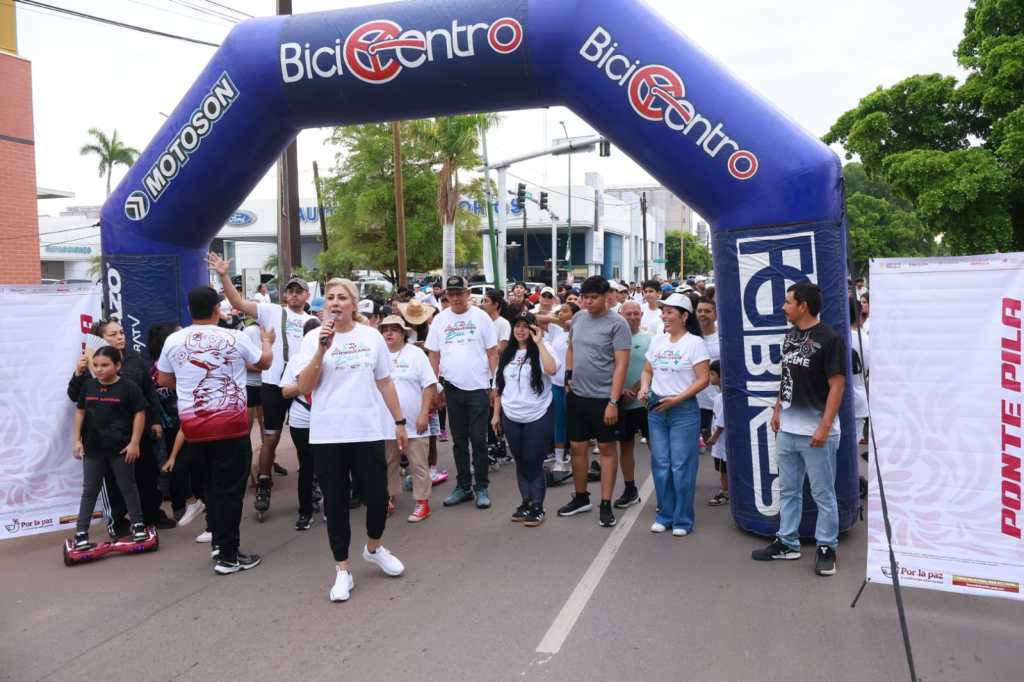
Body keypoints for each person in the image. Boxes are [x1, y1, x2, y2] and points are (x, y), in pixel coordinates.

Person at [293, 278, 408, 602]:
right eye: (330, 297)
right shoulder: (315, 338)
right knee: (336, 503)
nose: (335, 302)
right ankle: (342, 569)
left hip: (366, 430)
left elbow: (385, 382)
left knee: (377, 497)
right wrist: (321, 350)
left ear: (353, 304)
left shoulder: (371, 337)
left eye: (342, 297)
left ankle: (374, 547)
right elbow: (304, 386)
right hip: (328, 433)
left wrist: (399, 421)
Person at [156, 286, 273, 574]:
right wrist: (268, 342)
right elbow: (264, 363)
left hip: (195, 429)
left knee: (210, 487)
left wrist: (187, 387)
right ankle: (229, 557)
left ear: (189, 310)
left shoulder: (173, 339)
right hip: (231, 428)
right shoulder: (234, 336)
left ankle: (220, 546)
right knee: (230, 492)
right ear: (217, 311)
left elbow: (162, 378)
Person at [751, 282, 846, 577]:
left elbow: (838, 385)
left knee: (823, 493)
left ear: (803, 305)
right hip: (789, 430)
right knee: (789, 489)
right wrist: (778, 409)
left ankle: (826, 547)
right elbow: (787, 377)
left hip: (817, 433)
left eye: (787, 302)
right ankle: (788, 542)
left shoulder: (830, 338)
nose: (783, 307)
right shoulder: (790, 336)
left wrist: (824, 426)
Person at [209, 252, 313, 518]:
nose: (293, 296)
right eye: (289, 291)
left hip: (303, 386)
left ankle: (311, 482)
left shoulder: (314, 322)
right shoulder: (271, 311)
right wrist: (223, 275)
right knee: (271, 436)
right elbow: (237, 302)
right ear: (284, 295)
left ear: (306, 296)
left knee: (308, 440)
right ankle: (263, 483)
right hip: (274, 385)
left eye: (298, 291)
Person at [67, 319, 174, 534]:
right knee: (113, 482)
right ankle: (118, 522)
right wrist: (78, 374)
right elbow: (75, 399)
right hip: (105, 435)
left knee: (146, 475)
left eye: (122, 332)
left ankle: (150, 516)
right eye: (113, 334)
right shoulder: (90, 363)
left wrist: (155, 421)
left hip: (137, 432)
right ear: (100, 340)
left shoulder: (134, 359)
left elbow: (148, 392)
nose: (120, 337)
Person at [559, 276, 632, 527]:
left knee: (608, 450)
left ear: (606, 297)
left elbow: (622, 364)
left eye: (593, 298)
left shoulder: (618, 324)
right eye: (585, 297)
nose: (588, 302)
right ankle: (581, 497)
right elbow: (571, 348)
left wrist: (613, 401)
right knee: (578, 447)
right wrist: (568, 374)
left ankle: (605, 503)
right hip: (578, 395)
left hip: (604, 398)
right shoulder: (578, 318)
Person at [638, 293, 710, 536]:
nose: (664, 316)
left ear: (684, 316)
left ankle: (682, 519)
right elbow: (647, 370)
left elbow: (704, 380)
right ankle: (664, 515)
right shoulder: (658, 341)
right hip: (657, 409)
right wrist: (644, 387)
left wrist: (677, 399)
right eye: (663, 311)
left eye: (670, 312)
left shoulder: (694, 343)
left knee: (681, 466)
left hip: (683, 410)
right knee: (661, 464)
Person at [425, 275, 499, 509]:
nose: (455, 298)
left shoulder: (481, 318)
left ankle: (482, 487)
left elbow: (492, 352)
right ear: (446, 295)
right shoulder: (439, 320)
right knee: (458, 441)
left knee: (478, 440)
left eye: (460, 293)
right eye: (451, 294)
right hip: (452, 388)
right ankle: (464, 486)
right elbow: (433, 355)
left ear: (468, 294)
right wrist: (434, 386)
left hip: (478, 387)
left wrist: (494, 384)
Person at [70, 346, 150, 550]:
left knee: (128, 487)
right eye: (95, 365)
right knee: (89, 491)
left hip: (121, 450)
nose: (99, 369)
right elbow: (80, 412)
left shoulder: (129, 387)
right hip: (93, 450)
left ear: (117, 365)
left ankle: (138, 525)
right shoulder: (87, 386)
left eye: (104, 365)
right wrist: (77, 440)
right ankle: (81, 533)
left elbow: (139, 414)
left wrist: (134, 443)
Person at [493, 312, 559, 526]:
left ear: (533, 329)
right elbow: (499, 387)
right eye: (517, 326)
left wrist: (539, 343)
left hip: (538, 414)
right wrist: (496, 414)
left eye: (525, 326)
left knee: (533, 460)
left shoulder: (543, 348)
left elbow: (551, 369)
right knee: (520, 461)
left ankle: (538, 506)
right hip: (511, 415)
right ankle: (526, 502)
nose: (521, 330)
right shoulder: (507, 354)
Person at [379, 314, 438, 523]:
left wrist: (424, 413)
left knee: (418, 463)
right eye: (385, 330)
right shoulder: (378, 355)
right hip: (385, 423)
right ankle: (389, 498)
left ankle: (422, 503)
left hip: (414, 421)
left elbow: (429, 385)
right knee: (388, 463)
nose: (389, 333)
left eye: (394, 329)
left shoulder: (415, 354)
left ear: (404, 333)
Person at [280, 318, 322, 531]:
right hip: (302, 417)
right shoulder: (296, 360)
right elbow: (285, 391)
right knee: (306, 465)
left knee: (328, 465)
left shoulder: (331, 357)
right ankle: (305, 511)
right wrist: (305, 384)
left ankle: (332, 506)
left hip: (326, 418)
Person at [613, 301, 651, 509]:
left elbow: (652, 366)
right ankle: (630, 489)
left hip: (644, 403)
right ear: (621, 314)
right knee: (625, 447)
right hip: (621, 404)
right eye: (629, 313)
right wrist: (620, 391)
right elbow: (608, 366)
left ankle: (664, 491)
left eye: (636, 313)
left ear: (642, 314)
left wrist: (635, 390)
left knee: (657, 448)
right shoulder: (613, 338)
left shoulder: (650, 339)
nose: (633, 317)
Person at [695, 297, 720, 443]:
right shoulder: (691, 337)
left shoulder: (722, 336)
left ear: (716, 314)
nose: (702, 314)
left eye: (707, 311)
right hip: (696, 401)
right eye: (699, 311)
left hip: (717, 401)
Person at [704, 360, 729, 506]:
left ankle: (725, 493)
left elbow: (721, 422)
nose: (710, 376)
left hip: (721, 443)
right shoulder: (721, 396)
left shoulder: (721, 398)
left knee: (723, 470)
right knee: (723, 469)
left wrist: (713, 437)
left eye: (712, 374)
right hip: (721, 442)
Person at [481, 289, 511, 354]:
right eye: (482, 301)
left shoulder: (504, 324)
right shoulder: (480, 322)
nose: (482, 304)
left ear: (495, 304)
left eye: (486, 301)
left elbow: (501, 348)